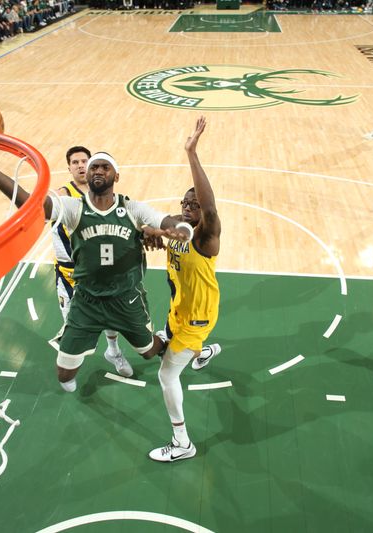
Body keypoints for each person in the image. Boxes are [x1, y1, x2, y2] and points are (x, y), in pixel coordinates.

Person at [0, 147, 192, 392]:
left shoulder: (132, 209)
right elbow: (29, 202)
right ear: (87, 176)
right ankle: (106, 353)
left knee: (149, 351)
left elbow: (166, 221)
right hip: (87, 301)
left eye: (104, 167)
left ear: (116, 176)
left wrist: (180, 229)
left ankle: (167, 341)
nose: (98, 170)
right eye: (94, 167)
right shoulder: (73, 208)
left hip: (125, 299)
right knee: (64, 375)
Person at [148, 116, 222, 463]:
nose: (188, 207)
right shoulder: (177, 229)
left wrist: (192, 153)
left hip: (197, 317)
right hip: (180, 310)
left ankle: (182, 442)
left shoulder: (206, 237)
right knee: (166, 350)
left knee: (165, 375)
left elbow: (209, 207)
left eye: (193, 205)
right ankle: (202, 354)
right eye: (184, 203)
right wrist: (149, 233)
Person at [51, 146, 130, 376]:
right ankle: (69, 362)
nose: (80, 165)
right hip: (69, 273)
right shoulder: (63, 195)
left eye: (84, 161)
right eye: (75, 162)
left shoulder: (102, 194)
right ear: (69, 168)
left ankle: (113, 351)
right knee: (73, 326)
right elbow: (46, 203)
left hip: (98, 269)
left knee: (111, 315)